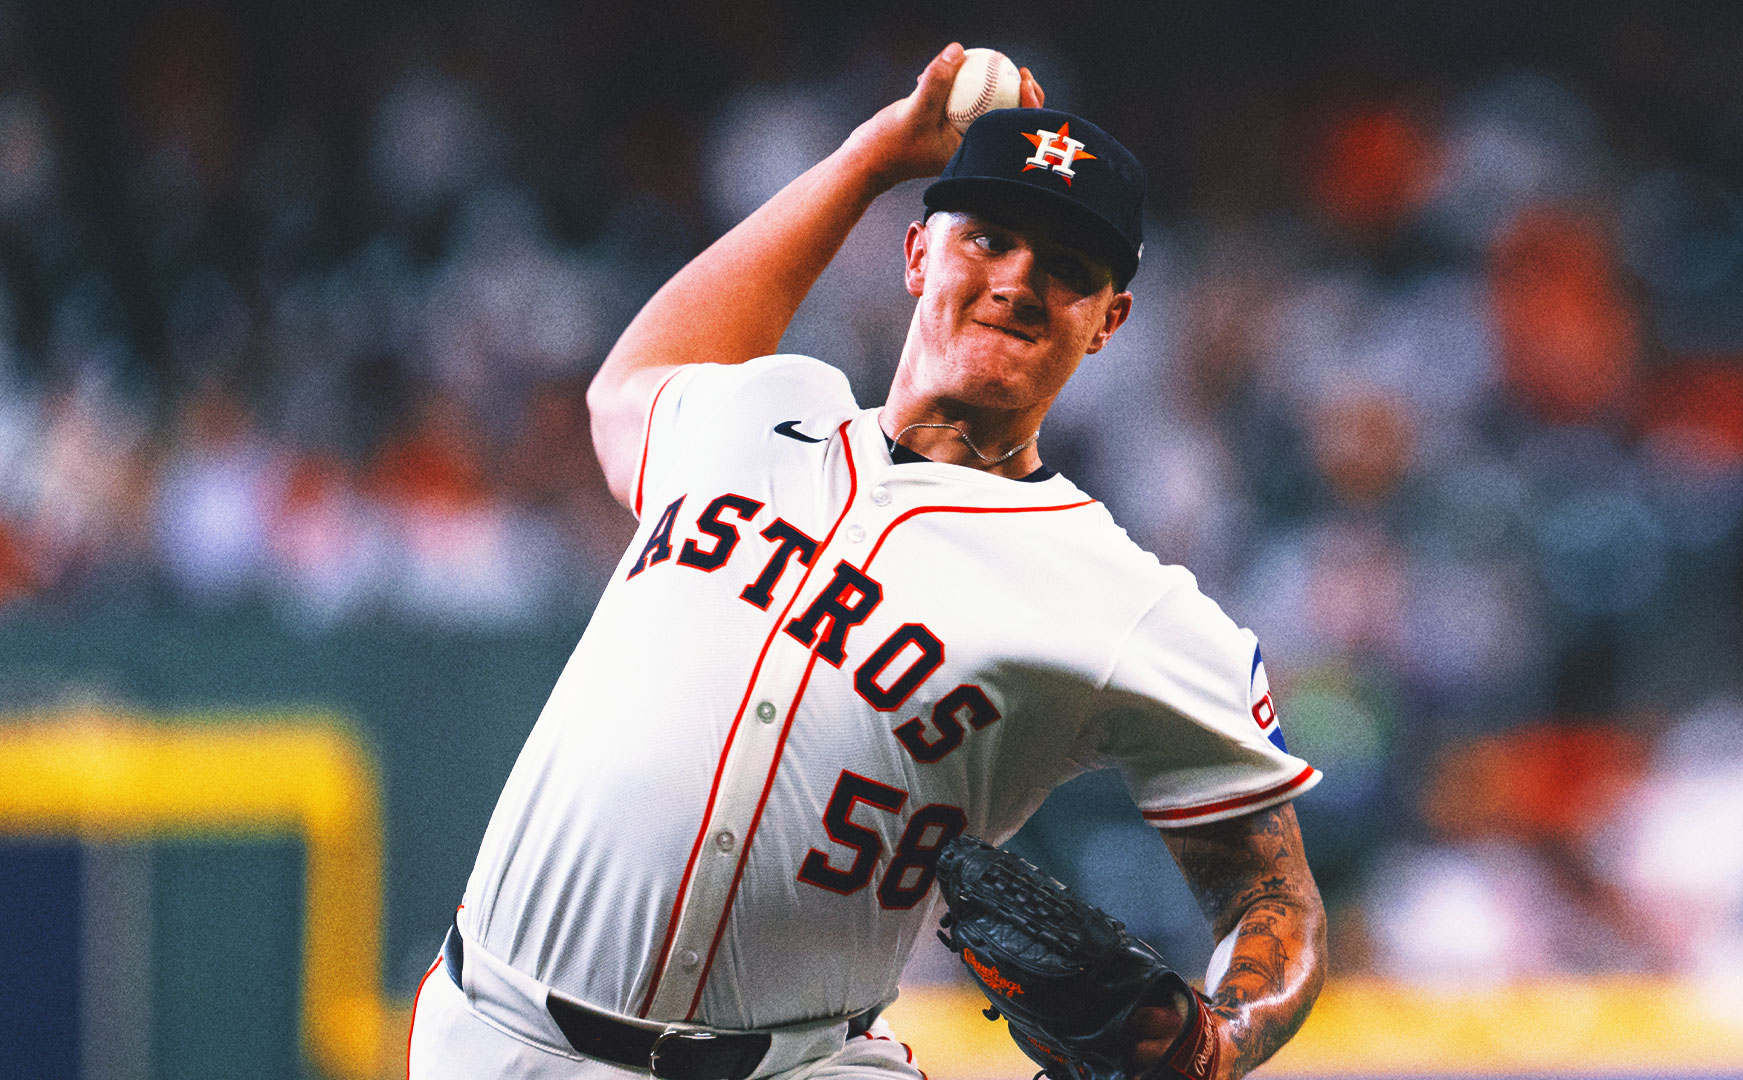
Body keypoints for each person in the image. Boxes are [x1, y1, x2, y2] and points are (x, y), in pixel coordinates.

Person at [408, 43, 1325, 1080]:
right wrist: (867, 159)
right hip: (497, 1035)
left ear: (1109, 321)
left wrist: (1217, 1044)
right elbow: (632, 379)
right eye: (989, 238)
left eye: (1069, 268)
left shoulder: (1123, 600)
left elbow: (1277, 901)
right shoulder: (760, 410)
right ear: (917, 255)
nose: (1019, 281)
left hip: (801, 1064)